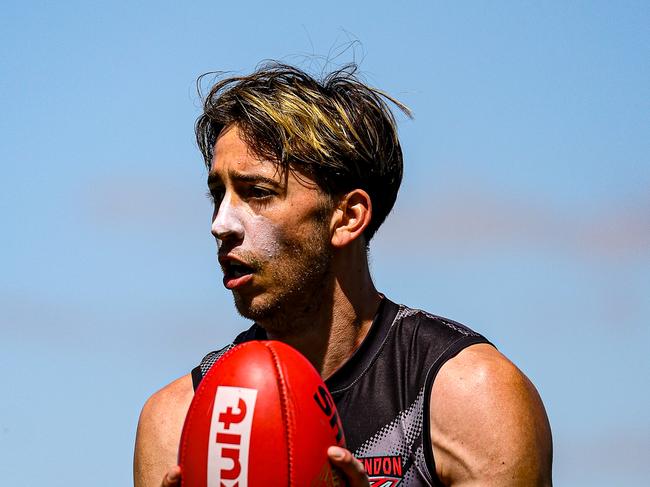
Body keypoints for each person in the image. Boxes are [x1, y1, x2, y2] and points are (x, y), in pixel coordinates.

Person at [133, 63, 553, 487]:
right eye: (218, 194)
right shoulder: (178, 420)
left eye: (258, 193)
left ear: (348, 217)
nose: (221, 223)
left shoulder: (467, 395)